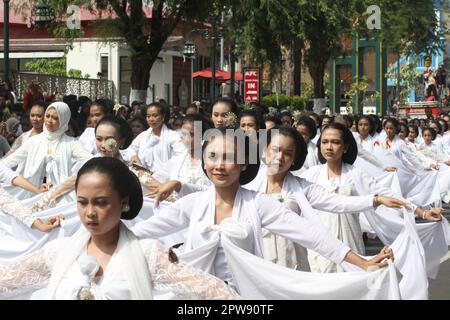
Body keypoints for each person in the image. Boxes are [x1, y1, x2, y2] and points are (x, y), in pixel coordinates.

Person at [131, 128, 394, 291]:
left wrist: (362, 262)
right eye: (212, 157)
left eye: (229, 158)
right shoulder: (195, 204)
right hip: (197, 297)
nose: (220, 166)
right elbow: (139, 232)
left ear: (244, 164)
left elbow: (311, 235)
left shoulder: (258, 203)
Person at [0, 157, 239, 300]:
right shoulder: (59, 253)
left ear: (123, 202)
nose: (90, 212)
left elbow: (217, 292)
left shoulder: (148, 254)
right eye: (82, 202)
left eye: (101, 202)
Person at [301, 122, 443, 273]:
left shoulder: (355, 174)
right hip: (320, 248)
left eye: (335, 142)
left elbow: (387, 193)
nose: (329, 147)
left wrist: (422, 212)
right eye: (324, 142)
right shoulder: (310, 175)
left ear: (346, 147)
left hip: (350, 243)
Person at [2, 102, 93, 200]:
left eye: (55, 118)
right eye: (48, 116)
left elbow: (92, 163)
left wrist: (69, 183)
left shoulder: (71, 143)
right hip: (31, 196)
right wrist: (30, 186)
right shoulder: (33, 141)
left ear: (63, 120)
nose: (49, 120)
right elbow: (4, 164)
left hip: (59, 198)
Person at [124, 102, 185, 180]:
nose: (151, 119)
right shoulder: (143, 136)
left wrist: (160, 173)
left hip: (166, 179)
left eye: (155, 115)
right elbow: (129, 150)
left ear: (163, 117)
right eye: (148, 116)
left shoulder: (172, 136)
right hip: (144, 178)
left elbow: (181, 156)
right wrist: (137, 161)